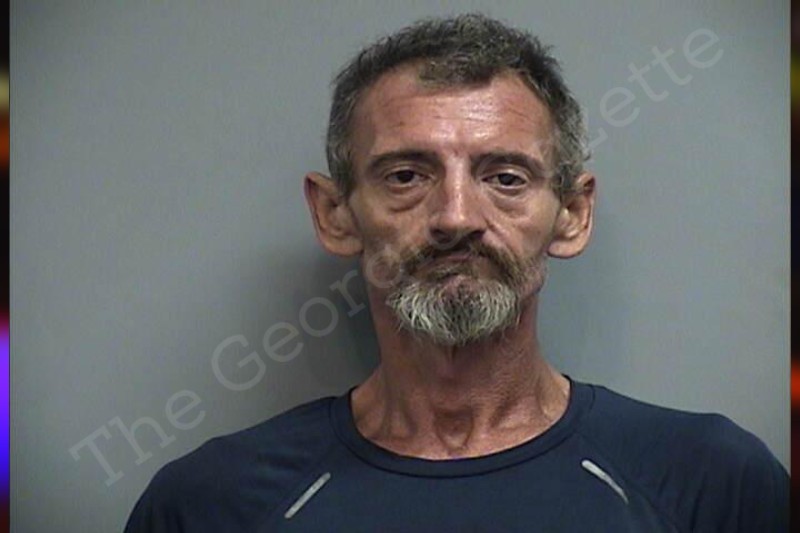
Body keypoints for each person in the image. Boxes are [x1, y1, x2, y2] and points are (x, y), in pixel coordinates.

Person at [125, 13, 788, 532]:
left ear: (572, 215)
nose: (456, 217)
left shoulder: (710, 483)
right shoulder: (212, 503)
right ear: (335, 214)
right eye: (406, 176)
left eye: (506, 177)